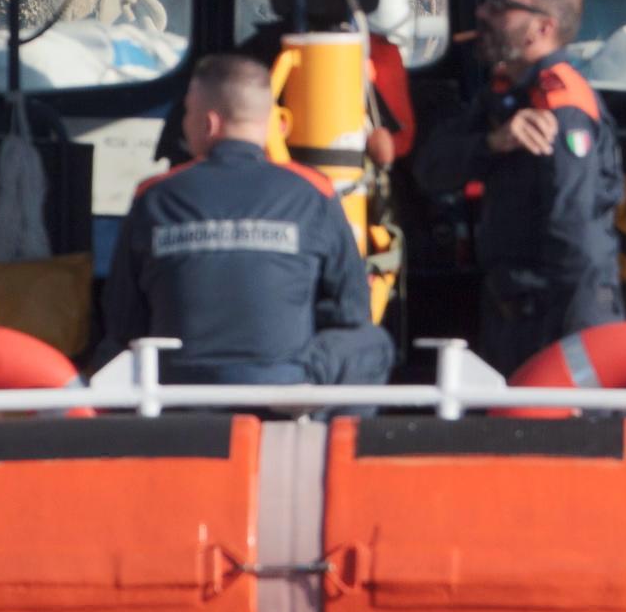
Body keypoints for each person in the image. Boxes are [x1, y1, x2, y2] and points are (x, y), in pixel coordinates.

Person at [94, 53, 398, 387]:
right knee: (373, 344)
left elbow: (122, 319)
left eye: (187, 114)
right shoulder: (314, 193)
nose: (184, 124)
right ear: (271, 122)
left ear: (208, 123)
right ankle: (329, 436)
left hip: (177, 384)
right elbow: (351, 311)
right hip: (281, 385)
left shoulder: (153, 196)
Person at [413, 0, 624, 373]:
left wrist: (572, 347)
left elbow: (574, 232)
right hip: (511, 309)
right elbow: (430, 168)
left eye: (501, 7)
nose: (482, 14)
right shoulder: (505, 96)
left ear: (541, 28)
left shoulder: (561, 108)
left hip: (558, 317)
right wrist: (491, 143)